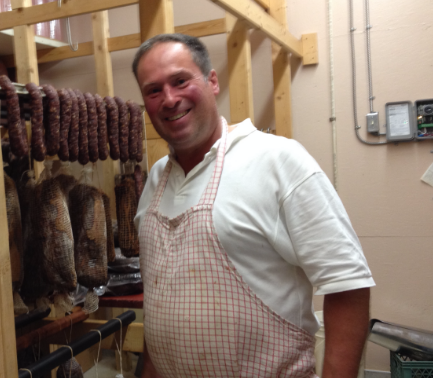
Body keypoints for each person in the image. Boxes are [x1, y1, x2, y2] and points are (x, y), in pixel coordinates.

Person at [132, 33, 374, 378]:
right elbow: (159, 301)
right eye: (153, 90)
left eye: (180, 81)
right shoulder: (155, 179)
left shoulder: (277, 160)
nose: (169, 99)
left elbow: (347, 284)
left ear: (212, 81)